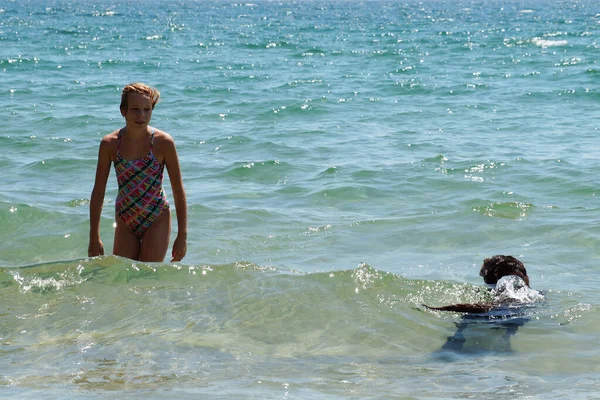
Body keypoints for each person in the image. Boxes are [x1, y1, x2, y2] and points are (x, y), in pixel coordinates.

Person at [88, 83, 187, 262]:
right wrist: (94, 237)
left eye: (147, 109)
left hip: (156, 216)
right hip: (125, 217)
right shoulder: (110, 144)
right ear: (122, 110)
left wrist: (182, 236)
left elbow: (178, 190)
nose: (141, 115)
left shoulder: (163, 143)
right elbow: (98, 192)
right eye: (135, 109)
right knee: (123, 277)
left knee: (147, 277)